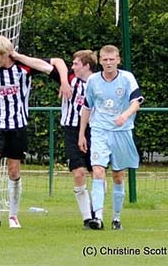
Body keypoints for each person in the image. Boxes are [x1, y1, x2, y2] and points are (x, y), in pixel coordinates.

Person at [0, 35, 70, 228]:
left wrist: (64, 82)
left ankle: (13, 215)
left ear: (5, 54)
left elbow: (57, 62)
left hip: (18, 126)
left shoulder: (25, 66)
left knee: (14, 170)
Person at [78, 45, 144, 230]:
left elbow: (137, 101)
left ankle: (116, 217)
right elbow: (87, 107)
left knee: (117, 175)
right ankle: (97, 217)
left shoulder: (127, 78)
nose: (108, 63)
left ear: (118, 60)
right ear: (99, 61)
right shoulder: (92, 80)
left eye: (111, 59)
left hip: (121, 132)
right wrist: (82, 133)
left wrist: (125, 115)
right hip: (99, 130)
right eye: (105, 60)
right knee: (98, 171)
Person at [59, 50, 98, 229]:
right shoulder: (69, 80)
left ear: (86, 66)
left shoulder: (99, 82)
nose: (72, 67)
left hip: (96, 131)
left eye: (76, 64)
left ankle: (98, 214)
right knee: (79, 172)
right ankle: (87, 218)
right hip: (72, 131)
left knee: (98, 173)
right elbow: (48, 64)